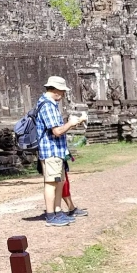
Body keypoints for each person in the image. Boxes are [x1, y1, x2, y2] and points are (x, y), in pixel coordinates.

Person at [36, 76, 88, 226]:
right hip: (50, 150)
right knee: (51, 183)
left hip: (57, 150)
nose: (64, 94)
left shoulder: (50, 104)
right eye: (63, 91)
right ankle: (51, 215)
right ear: (57, 91)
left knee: (59, 182)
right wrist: (70, 123)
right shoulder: (47, 105)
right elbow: (57, 131)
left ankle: (58, 212)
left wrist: (73, 124)